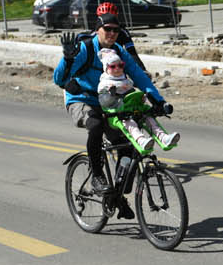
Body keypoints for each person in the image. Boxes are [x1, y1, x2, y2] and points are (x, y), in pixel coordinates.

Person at [52, 14, 167, 219]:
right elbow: (59, 78)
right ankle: (97, 176)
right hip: (82, 99)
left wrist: (159, 101)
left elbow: (139, 76)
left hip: (111, 103)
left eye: (116, 30)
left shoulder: (118, 52)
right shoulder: (85, 49)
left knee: (129, 147)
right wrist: (67, 59)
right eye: (108, 29)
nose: (113, 33)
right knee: (95, 125)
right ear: (98, 30)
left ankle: (117, 195)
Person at [97, 47, 178, 153]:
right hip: (116, 112)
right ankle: (141, 140)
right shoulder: (105, 83)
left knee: (148, 117)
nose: (117, 68)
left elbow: (131, 94)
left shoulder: (125, 80)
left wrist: (141, 98)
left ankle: (163, 137)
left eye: (120, 65)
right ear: (106, 68)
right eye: (113, 66)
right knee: (130, 122)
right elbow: (103, 102)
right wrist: (111, 95)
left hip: (130, 107)